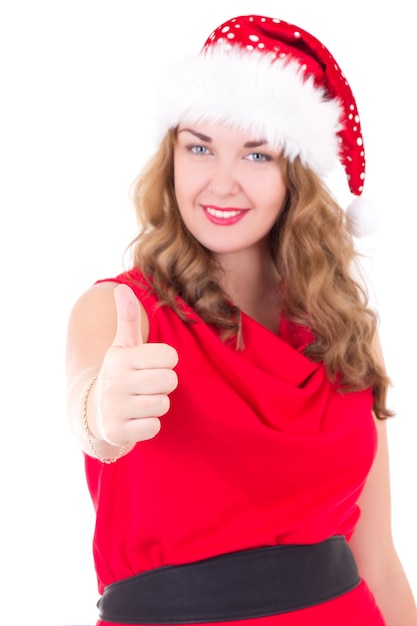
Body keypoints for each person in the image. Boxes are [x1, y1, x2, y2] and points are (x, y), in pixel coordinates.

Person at [65, 14, 417, 626]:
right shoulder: (119, 311)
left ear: (295, 178)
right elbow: (90, 413)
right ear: (171, 156)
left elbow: (378, 558)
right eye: (199, 147)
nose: (220, 183)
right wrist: (102, 409)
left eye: (256, 154)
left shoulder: (343, 330)